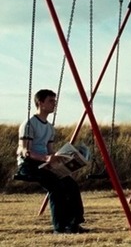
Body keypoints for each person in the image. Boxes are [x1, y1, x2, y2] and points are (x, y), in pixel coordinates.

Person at [16, 89, 88, 234]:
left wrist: (63, 157)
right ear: (40, 103)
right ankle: (60, 228)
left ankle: (74, 224)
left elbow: (49, 150)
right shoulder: (29, 123)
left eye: (55, 101)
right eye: (50, 101)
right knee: (56, 187)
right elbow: (25, 151)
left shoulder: (49, 127)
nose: (54, 104)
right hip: (29, 164)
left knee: (71, 185)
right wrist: (46, 158)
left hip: (44, 164)